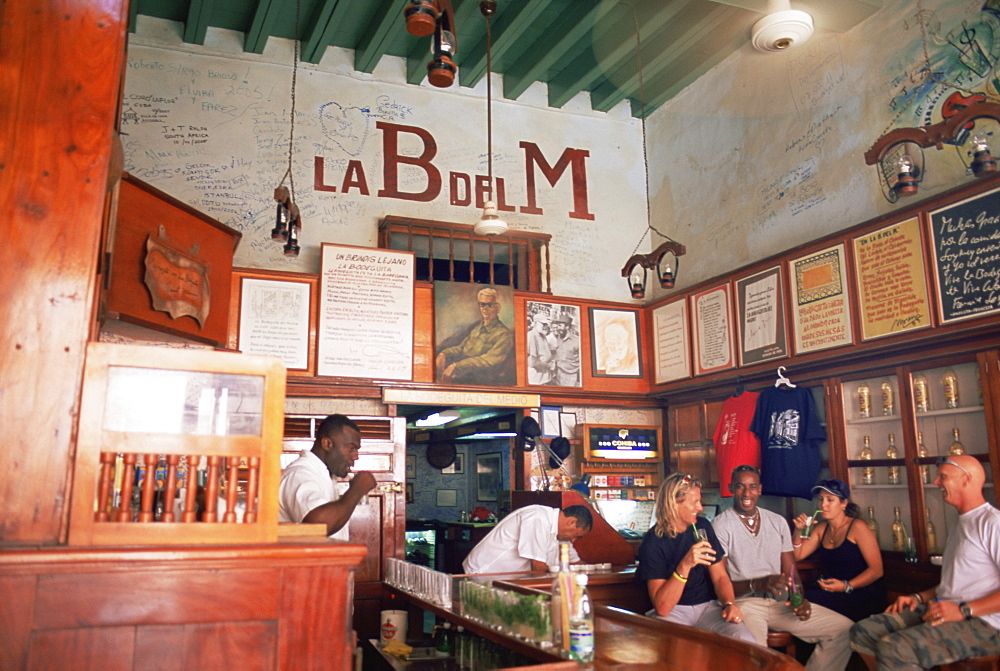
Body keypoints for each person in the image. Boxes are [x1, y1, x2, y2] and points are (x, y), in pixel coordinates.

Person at [850, 455, 1000, 669]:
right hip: (945, 610)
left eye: (943, 477)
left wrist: (963, 610)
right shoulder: (960, 523)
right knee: (863, 632)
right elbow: (958, 584)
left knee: (894, 648)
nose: (936, 482)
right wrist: (918, 597)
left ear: (966, 479)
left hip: (986, 625)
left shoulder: (993, 523)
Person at [714, 465, 853, 670]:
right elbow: (719, 581)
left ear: (760, 489)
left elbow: (791, 572)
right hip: (745, 605)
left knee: (845, 630)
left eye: (752, 487)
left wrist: (799, 599)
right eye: (740, 486)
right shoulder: (720, 525)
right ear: (731, 488)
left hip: (781, 605)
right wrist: (758, 583)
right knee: (757, 652)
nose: (746, 493)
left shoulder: (777, 522)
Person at [636, 472, 756, 643]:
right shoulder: (653, 541)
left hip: (707, 608)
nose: (700, 508)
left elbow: (720, 576)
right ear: (675, 503)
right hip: (674, 612)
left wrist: (729, 604)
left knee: (745, 640)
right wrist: (685, 565)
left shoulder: (702, 527)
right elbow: (663, 608)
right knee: (671, 648)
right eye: (695, 502)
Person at [793, 479, 887, 623]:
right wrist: (798, 531)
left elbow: (877, 570)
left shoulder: (857, 527)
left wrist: (846, 586)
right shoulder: (822, 529)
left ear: (844, 503)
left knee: (809, 602)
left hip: (861, 594)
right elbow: (797, 555)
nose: (823, 504)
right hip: (833, 592)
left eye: (830, 500)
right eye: (821, 500)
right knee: (799, 602)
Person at [278, 414, 376, 540]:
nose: (356, 456)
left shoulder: (324, 474)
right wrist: (356, 490)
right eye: (351, 448)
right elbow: (318, 526)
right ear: (327, 444)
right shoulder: (299, 474)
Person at [462, 504, 592, 574]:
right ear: (571, 522)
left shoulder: (562, 535)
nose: (574, 540)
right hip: (483, 573)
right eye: (576, 536)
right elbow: (538, 566)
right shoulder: (538, 518)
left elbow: (576, 563)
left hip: (506, 579)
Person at [436, 287, 515, 385]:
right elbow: (462, 348)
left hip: (484, 382)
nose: (484, 309)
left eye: (489, 305)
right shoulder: (476, 329)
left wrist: (456, 366)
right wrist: (444, 354)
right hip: (464, 375)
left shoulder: (504, 334)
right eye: (482, 305)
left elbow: (489, 360)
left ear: (497, 308)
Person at [550, 314, 580, 386]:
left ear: (567, 327)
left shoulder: (577, 341)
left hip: (570, 375)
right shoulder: (559, 337)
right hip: (558, 372)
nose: (557, 328)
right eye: (557, 326)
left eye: (560, 325)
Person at [526, 312, 553, 385]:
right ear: (535, 323)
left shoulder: (542, 335)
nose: (545, 326)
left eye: (546, 324)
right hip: (537, 379)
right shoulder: (531, 336)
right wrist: (549, 365)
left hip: (545, 377)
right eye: (543, 324)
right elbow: (532, 362)